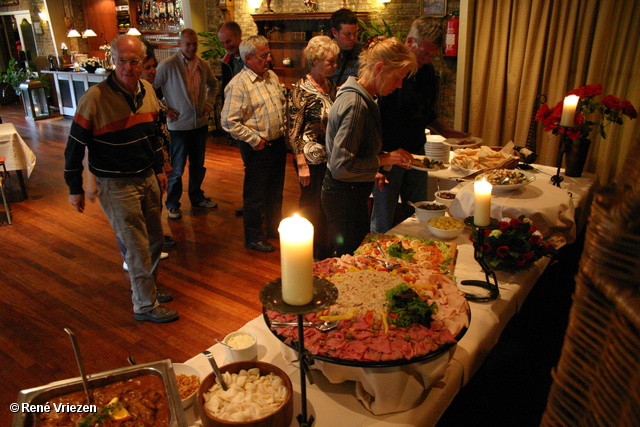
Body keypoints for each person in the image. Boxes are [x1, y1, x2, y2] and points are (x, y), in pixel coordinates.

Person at [64, 35, 178, 323]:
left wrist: (159, 170)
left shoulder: (148, 91)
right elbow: (74, 146)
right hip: (115, 184)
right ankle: (144, 305)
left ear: (143, 62)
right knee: (136, 246)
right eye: (122, 60)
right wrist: (75, 188)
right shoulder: (95, 98)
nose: (128, 67)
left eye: (134, 61)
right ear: (113, 61)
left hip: (145, 177)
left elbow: (152, 137)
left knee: (154, 241)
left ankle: (147, 289)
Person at [370, 17, 471, 234]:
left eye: (432, 55)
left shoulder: (427, 72)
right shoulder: (389, 70)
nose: (427, 59)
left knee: (419, 210)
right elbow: (374, 117)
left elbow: (424, 111)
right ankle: (378, 257)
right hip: (389, 153)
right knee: (383, 215)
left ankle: (415, 252)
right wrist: (378, 157)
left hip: (417, 151)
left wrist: (444, 130)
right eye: (424, 53)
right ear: (409, 41)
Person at [322, 37, 418, 257]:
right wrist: (385, 159)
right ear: (380, 68)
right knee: (348, 260)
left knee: (352, 257)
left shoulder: (363, 97)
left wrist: (371, 171)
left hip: (349, 190)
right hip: (344, 195)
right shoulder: (356, 104)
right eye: (397, 77)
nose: (399, 85)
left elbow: (354, 154)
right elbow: (341, 166)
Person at [221, 35, 287, 253]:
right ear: (248, 58)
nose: (268, 58)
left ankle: (272, 228)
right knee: (255, 195)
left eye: (268, 54)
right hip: (258, 147)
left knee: (275, 191)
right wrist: (254, 140)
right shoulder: (238, 85)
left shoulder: (271, 76)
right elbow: (228, 121)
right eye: (263, 55)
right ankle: (253, 237)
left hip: (277, 144)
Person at [154, 28, 219, 221]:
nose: (191, 48)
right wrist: (164, 109)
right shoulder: (167, 66)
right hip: (178, 128)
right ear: (180, 44)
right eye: (188, 44)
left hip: (199, 125)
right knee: (176, 169)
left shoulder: (203, 65)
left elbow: (213, 85)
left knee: (198, 165)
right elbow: (151, 89)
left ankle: (197, 197)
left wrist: (209, 103)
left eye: (194, 44)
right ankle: (173, 204)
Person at [288, 36, 339, 260]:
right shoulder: (301, 89)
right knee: (311, 206)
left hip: (329, 155)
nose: (334, 65)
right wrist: (301, 163)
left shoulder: (331, 86)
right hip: (308, 158)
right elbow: (293, 130)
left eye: (336, 61)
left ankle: (325, 248)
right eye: (330, 62)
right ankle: (306, 250)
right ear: (315, 60)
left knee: (327, 205)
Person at [328, 8, 362, 87]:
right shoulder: (323, 53)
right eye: (348, 34)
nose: (353, 38)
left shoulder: (361, 50)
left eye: (355, 32)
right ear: (335, 32)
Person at [218, 21, 244, 93]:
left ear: (239, 35)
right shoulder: (225, 61)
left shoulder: (255, 56)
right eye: (222, 43)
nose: (226, 47)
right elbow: (226, 88)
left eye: (228, 42)